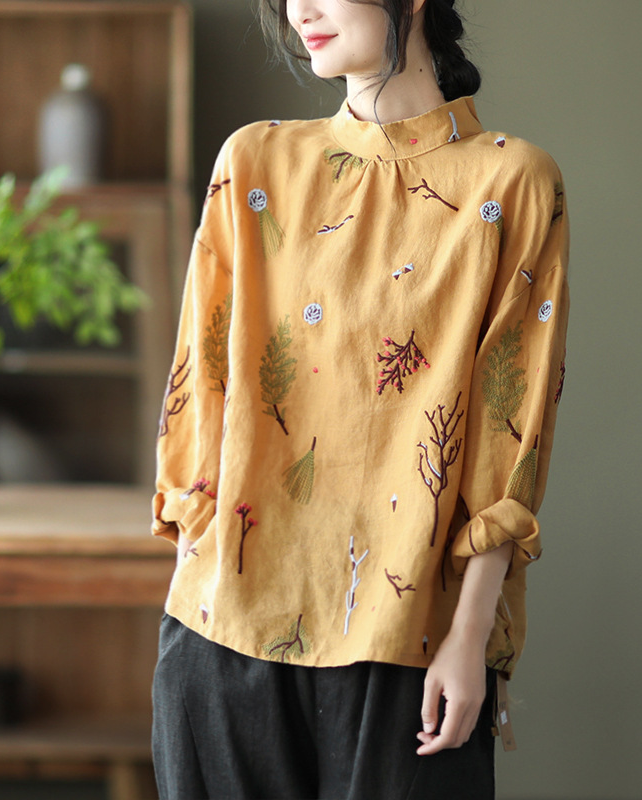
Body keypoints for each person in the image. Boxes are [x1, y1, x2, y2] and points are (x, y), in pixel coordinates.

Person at [151, 0, 569, 798]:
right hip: (223, 632)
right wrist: (193, 559)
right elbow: (200, 383)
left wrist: (470, 638)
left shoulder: (512, 180)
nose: (299, 10)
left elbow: (509, 431)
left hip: (411, 642)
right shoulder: (255, 162)